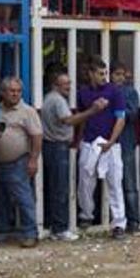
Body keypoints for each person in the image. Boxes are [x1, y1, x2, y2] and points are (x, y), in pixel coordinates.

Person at [40, 72, 102, 241]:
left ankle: (53, 225)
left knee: (54, 187)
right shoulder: (58, 100)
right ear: (55, 85)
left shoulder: (50, 98)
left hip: (53, 146)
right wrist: (92, 111)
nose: (69, 87)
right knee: (60, 188)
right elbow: (68, 121)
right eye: (65, 84)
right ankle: (59, 228)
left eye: (69, 83)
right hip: (57, 147)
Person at [75, 57, 128, 239]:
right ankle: (86, 215)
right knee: (85, 181)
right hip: (90, 141)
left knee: (115, 183)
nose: (103, 77)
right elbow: (82, 118)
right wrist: (79, 140)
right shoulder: (83, 92)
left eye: (105, 73)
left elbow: (121, 118)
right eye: (100, 73)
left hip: (110, 143)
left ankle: (119, 223)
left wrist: (112, 141)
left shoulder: (114, 92)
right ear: (90, 74)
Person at [0, 78, 42, 248]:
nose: (15, 94)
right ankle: (3, 229)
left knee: (23, 198)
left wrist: (33, 160)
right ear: (2, 92)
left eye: (18, 91)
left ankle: (30, 233)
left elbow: (36, 136)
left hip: (18, 162)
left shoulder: (27, 111)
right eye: (11, 91)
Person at [110, 63, 140, 233]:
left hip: (126, 142)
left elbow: (133, 114)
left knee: (129, 182)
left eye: (122, 74)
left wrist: (116, 111)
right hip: (110, 143)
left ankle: (133, 220)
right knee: (112, 183)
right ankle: (115, 219)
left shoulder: (130, 92)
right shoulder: (107, 91)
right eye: (117, 74)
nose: (120, 77)